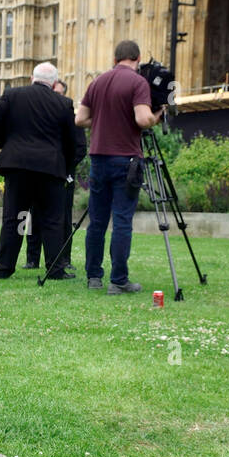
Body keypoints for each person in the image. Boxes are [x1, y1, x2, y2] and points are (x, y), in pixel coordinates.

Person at [75, 40, 164, 293]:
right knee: (122, 220)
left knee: (97, 222)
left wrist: (104, 119)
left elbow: (80, 118)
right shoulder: (138, 83)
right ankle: (118, 280)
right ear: (136, 59)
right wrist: (158, 115)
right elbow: (143, 118)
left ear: (115, 59)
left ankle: (93, 276)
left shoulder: (98, 82)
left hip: (98, 159)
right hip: (125, 160)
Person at [0, 61, 80, 279]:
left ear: (32, 78)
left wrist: (5, 142)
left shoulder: (13, 95)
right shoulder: (63, 103)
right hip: (50, 168)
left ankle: (4, 267)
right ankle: (55, 269)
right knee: (52, 219)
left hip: (17, 165)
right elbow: (72, 141)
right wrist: (64, 165)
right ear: (54, 83)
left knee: (15, 217)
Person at [31, 78, 87, 274]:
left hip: (63, 174)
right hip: (40, 172)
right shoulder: (39, 117)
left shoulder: (71, 118)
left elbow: (80, 148)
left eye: (59, 94)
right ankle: (32, 259)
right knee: (34, 216)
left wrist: (65, 167)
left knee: (63, 218)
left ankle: (64, 259)